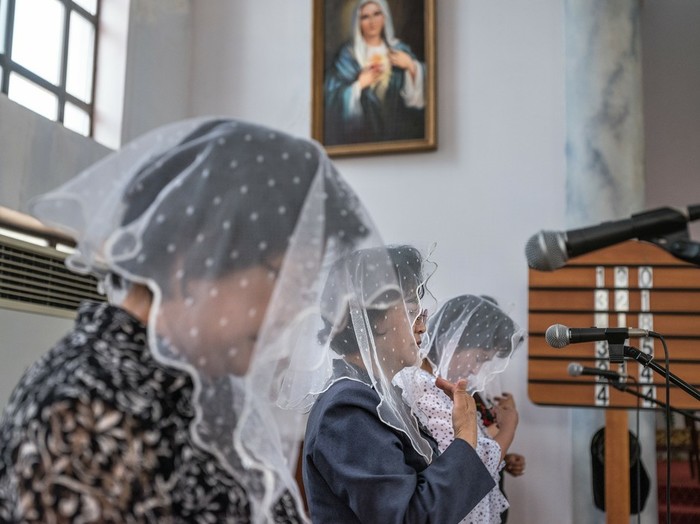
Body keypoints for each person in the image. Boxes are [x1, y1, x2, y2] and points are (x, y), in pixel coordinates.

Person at [0, 118, 376, 522]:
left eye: (301, 291)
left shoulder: (200, 386)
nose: (291, 313)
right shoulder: (81, 413)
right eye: (280, 279)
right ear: (194, 256)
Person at [289, 246, 495, 523]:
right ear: (371, 319)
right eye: (411, 310)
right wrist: (465, 434)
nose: (422, 326)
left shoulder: (379, 395)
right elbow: (408, 517)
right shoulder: (346, 408)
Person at [395, 294, 526, 524]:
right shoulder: (422, 387)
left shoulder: (444, 388)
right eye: (479, 358)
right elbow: (470, 467)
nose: (476, 371)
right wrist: (509, 427)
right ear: (453, 341)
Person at [324, 0, 426, 145]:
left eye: (377, 14)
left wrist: (411, 65)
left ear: (384, 17)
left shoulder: (400, 50)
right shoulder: (348, 56)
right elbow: (330, 97)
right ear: (358, 22)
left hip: (398, 131)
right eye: (365, 17)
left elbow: (423, 98)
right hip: (362, 134)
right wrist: (358, 85)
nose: (372, 22)